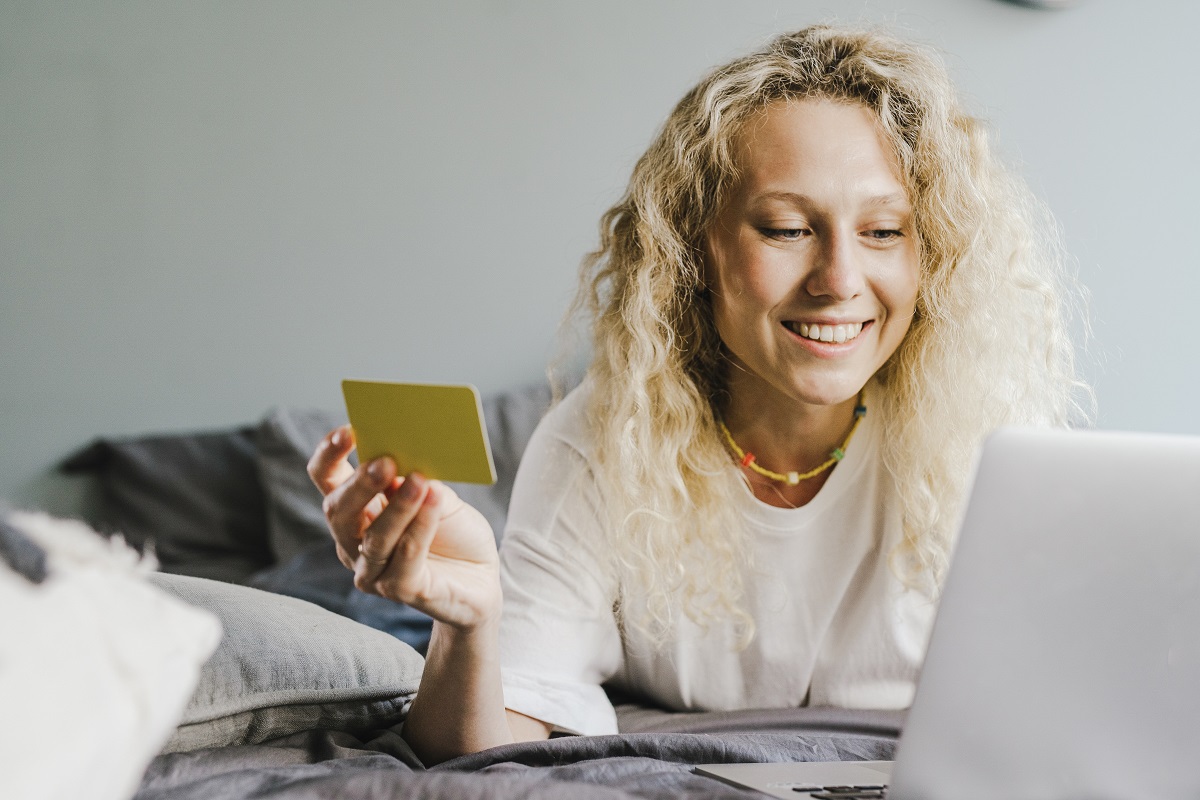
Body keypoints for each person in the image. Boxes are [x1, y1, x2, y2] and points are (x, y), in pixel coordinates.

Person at [307, 25, 1086, 765]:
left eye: (884, 232)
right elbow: (483, 750)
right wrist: (468, 625)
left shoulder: (989, 443)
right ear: (696, 250)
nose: (840, 282)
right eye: (785, 229)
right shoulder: (600, 441)